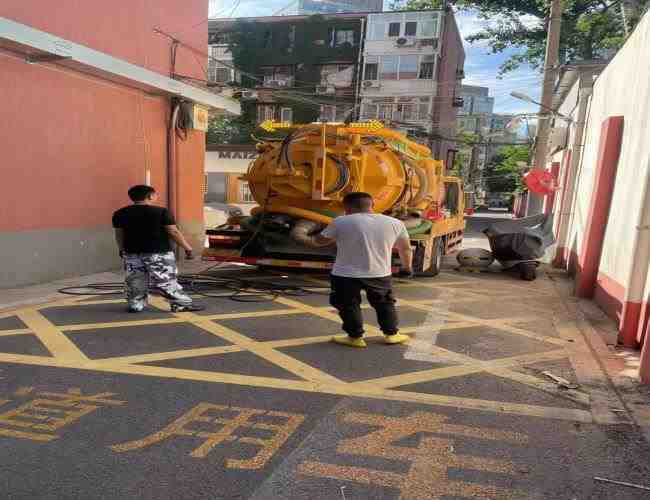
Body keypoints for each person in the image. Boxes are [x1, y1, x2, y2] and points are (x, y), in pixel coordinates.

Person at [310, 192, 413, 348]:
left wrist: (329, 234)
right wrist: (407, 268)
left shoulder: (341, 222)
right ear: (372, 205)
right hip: (379, 273)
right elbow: (405, 249)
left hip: (345, 274)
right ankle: (392, 334)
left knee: (348, 305)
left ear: (347, 207)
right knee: (384, 303)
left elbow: (319, 241)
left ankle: (355, 337)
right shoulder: (395, 223)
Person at [112, 185, 203, 313]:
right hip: (158, 253)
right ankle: (181, 304)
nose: (156, 196)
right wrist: (187, 248)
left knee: (135, 279)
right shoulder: (161, 212)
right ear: (150, 196)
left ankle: (136, 304)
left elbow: (119, 234)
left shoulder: (119, 213)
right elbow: (173, 231)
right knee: (165, 280)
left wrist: (121, 249)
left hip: (131, 252)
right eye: (155, 194)